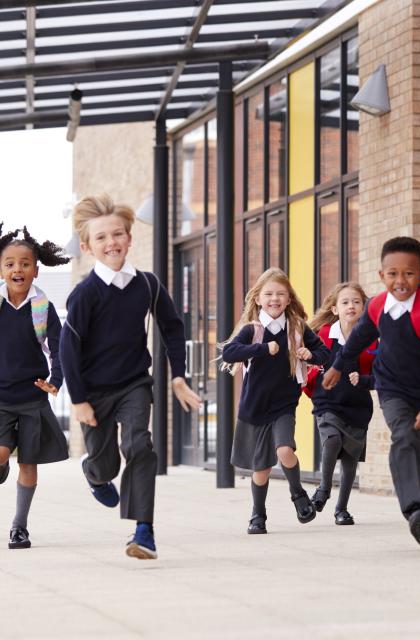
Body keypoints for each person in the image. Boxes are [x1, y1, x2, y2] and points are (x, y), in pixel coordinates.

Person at [59, 194, 201, 560]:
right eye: (102, 238)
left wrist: (178, 376)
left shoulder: (147, 284)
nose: (112, 242)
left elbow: (171, 327)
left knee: (140, 446)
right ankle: (94, 472)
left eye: (118, 234)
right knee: (106, 462)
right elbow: (68, 349)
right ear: (88, 246)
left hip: (135, 383)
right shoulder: (83, 295)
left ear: (129, 238)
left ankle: (143, 531)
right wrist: (78, 401)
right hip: (92, 391)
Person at [323, 237, 420, 545]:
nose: (400, 280)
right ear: (382, 276)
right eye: (392, 273)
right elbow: (358, 338)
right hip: (391, 387)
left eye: (408, 273)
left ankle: (418, 460)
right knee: (404, 437)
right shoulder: (378, 306)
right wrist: (338, 365)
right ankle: (415, 511)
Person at [221, 267, 331, 535]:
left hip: (284, 404)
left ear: (289, 299)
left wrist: (310, 354)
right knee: (262, 469)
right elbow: (229, 352)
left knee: (284, 450)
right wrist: (261, 349)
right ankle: (258, 515)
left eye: (281, 294)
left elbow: (325, 353)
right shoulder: (253, 330)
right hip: (254, 407)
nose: (274, 299)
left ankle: (298, 495)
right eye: (269, 294)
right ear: (258, 298)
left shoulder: (297, 328)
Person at [0, 225, 70, 550]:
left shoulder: (42, 308)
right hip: (1, 397)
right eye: (10, 263)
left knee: (28, 462)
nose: (18, 269)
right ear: (1, 270)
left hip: (31, 397)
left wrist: (55, 380)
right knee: (1, 454)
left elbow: (59, 348)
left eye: (25, 263)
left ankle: (19, 527)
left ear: (36, 269)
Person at [307, 282, 376, 525]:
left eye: (356, 302)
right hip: (328, 401)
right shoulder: (324, 334)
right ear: (335, 309)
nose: (351, 306)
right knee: (333, 439)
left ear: (364, 307)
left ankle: (341, 509)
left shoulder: (371, 338)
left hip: (358, 404)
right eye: (345, 302)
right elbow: (310, 362)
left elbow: (382, 370)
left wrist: (367, 380)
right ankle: (323, 489)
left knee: (350, 460)